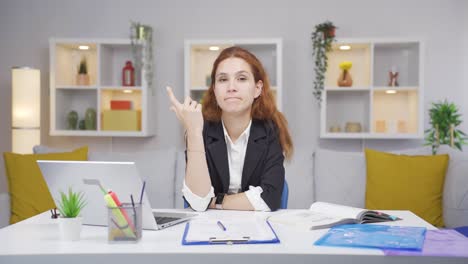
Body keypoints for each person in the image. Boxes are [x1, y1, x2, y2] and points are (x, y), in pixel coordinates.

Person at [166, 46, 293, 212]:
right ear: (214, 89)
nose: (231, 87)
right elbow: (197, 202)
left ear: (257, 88)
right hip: (208, 228)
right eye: (223, 79)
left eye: (241, 78)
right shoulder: (201, 129)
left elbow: (269, 197)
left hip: (257, 227)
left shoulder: (270, 129)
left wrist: (217, 201)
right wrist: (194, 132)